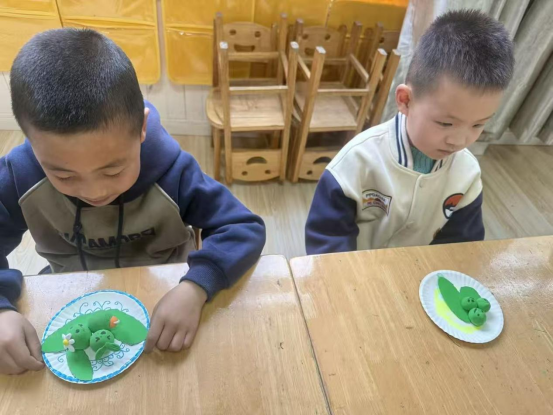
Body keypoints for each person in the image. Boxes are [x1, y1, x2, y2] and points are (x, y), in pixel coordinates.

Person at [0, 28, 266, 375]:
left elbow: (243, 226)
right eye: (64, 176)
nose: (94, 192)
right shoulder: (18, 176)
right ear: (32, 144)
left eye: (113, 170)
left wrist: (196, 286)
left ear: (141, 127)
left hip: (169, 296)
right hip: (71, 299)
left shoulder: (175, 173)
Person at [305, 9, 514, 255]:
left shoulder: (467, 174)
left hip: (421, 272)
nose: (459, 141)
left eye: (478, 125)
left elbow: (460, 247)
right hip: (355, 271)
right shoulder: (357, 160)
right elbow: (328, 239)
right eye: (445, 123)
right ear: (405, 100)